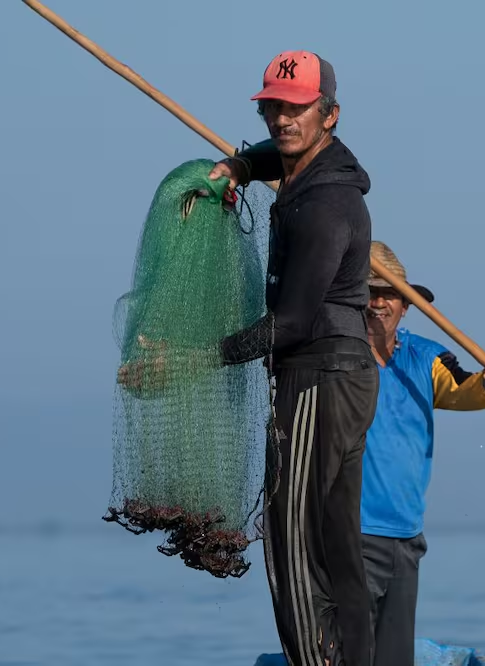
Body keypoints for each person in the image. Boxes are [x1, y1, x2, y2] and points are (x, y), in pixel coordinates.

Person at [121, 50, 378, 666]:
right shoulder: (318, 173)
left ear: (330, 114)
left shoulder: (324, 207)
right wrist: (238, 163)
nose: (282, 120)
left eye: (297, 109)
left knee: (292, 549)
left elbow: (289, 325)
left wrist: (189, 360)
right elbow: (274, 155)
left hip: (317, 378)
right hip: (341, 378)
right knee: (337, 551)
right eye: (273, 107)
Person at [360, 241, 485, 666]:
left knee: (393, 657)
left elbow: (466, 390)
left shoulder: (426, 357)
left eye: (389, 293)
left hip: (406, 535)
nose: (378, 302)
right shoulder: (335, 355)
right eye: (368, 291)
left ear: (407, 305)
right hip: (348, 532)